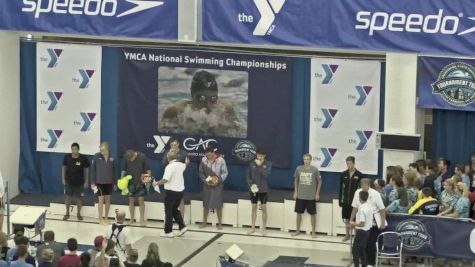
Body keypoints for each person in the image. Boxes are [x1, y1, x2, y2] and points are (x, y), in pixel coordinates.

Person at [160, 70, 239, 137]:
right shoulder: (175, 112)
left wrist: (221, 128)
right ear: (192, 94)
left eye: (213, 98)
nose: (207, 104)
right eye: (201, 98)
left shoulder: (226, 110)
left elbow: (238, 133)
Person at [351, 178, 386, 267]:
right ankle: (364, 263)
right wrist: (351, 219)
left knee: (370, 243)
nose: (363, 187)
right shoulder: (357, 193)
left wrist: (382, 222)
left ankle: (370, 262)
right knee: (362, 246)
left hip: (371, 223)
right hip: (361, 223)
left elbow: (382, 209)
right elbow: (354, 207)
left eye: (365, 185)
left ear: (369, 185)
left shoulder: (375, 194)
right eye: (362, 186)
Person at [154, 153, 188, 238]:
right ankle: (182, 227)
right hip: (180, 192)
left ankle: (168, 232)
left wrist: (156, 183)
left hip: (171, 192)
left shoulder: (169, 167)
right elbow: (186, 164)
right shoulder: (181, 165)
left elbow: (165, 179)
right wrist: (186, 162)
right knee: (174, 210)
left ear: (168, 158)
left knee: (168, 211)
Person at [292, 153, 322, 239]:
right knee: (298, 213)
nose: (306, 161)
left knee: (313, 214)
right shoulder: (298, 168)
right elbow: (296, 180)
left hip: (311, 197)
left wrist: (317, 194)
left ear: (310, 160)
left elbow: (320, 181)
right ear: (303, 160)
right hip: (300, 196)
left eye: (308, 159)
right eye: (305, 159)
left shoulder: (315, 170)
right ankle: (297, 230)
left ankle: (313, 232)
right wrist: (295, 192)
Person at [198, 146, 228, 230]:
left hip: (218, 185)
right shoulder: (203, 160)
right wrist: (208, 181)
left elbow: (225, 172)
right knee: (206, 204)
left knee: (218, 204)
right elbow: (201, 173)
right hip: (207, 184)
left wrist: (218, 181)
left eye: (210, 155)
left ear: (213, 153)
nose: (209, 157)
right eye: (207, 155)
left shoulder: (221, 160)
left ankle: (219, 223)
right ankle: (204, 222)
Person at [161, 138, 189, 220]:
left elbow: (187, 164)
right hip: (169, 180)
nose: (173, 146)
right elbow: (163, 164)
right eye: (172, 145)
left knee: (180, 200)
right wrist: (168, 155)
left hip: (178, 179)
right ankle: (168, 219)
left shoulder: (183, 153)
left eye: (175, 144)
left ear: (178, 144)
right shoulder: (167, 152)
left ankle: (182, 219)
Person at [121, 149, 151, 226]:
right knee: (131, 201)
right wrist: (122, 180)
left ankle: (142, 220)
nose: (131, 161)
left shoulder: (143, 157)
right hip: (130, 182)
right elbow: (123, 170)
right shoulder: (126, 157)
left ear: (134, 155)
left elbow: (148, 171)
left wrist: (148, 182)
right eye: (129, 160)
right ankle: (131, 219)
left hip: (140, 182)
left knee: (141, 201)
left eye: (131, 159)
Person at [246, 148, 272, 236]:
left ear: (264, 156)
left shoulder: (268, 164)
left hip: (263, 190)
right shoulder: (251, 163)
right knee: (253, 208)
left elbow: (266, 176)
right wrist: (251, 186)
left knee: (264, 208)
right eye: (258, 155)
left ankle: (264, 228)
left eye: (261, 156)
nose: (259, 157)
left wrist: (260, 165)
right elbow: (248, 176)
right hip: (254, 189)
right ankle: (252, 228)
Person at [62, 143, 90, 221]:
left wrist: (86, 181)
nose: (74, 151)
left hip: (80, 183)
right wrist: (63, 179)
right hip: (69, 182)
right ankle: (67, 213)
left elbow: (86, 170)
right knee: (68, 198)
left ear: (78, 149)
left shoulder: (83, 158)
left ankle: (78, 213)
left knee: (80, 198)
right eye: (72, 149)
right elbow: (64, 167)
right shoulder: (67, 157)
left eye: (75, 149)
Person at [91, 142, 117, 225]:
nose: (101, 152)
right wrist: (92, 182)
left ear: (107, 148)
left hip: (109, 182)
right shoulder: (96, 156)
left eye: (103, 150)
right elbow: (93, 170)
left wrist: (115, 182)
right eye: (100, 150)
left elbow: (115, 170)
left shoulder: (113, 157)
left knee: (108, 199)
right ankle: (100, 218)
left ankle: (106, 217)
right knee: (101, 200)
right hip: (99, 182)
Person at [338, 156, 363, 242]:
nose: (348, 165)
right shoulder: (343, 174)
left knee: (355, 219)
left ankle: (356, 236)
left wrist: (360, 202)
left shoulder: (359, 175)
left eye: (350, 163)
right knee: (347, 219)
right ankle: (347, 235)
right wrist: (340, 201)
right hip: (346, 201)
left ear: (354, 163)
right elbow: (341, 188)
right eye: (347, 163)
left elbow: (361, 190)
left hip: (355, 203)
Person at [350, 191, 372, 267]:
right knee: (362, 250)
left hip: (361, 232)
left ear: (359, 198)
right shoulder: (369, 206)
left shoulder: (362, 209)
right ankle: (364, 265)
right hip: (367, 231)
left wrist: (353, 223)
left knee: (355, 251)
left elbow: (362, 223)